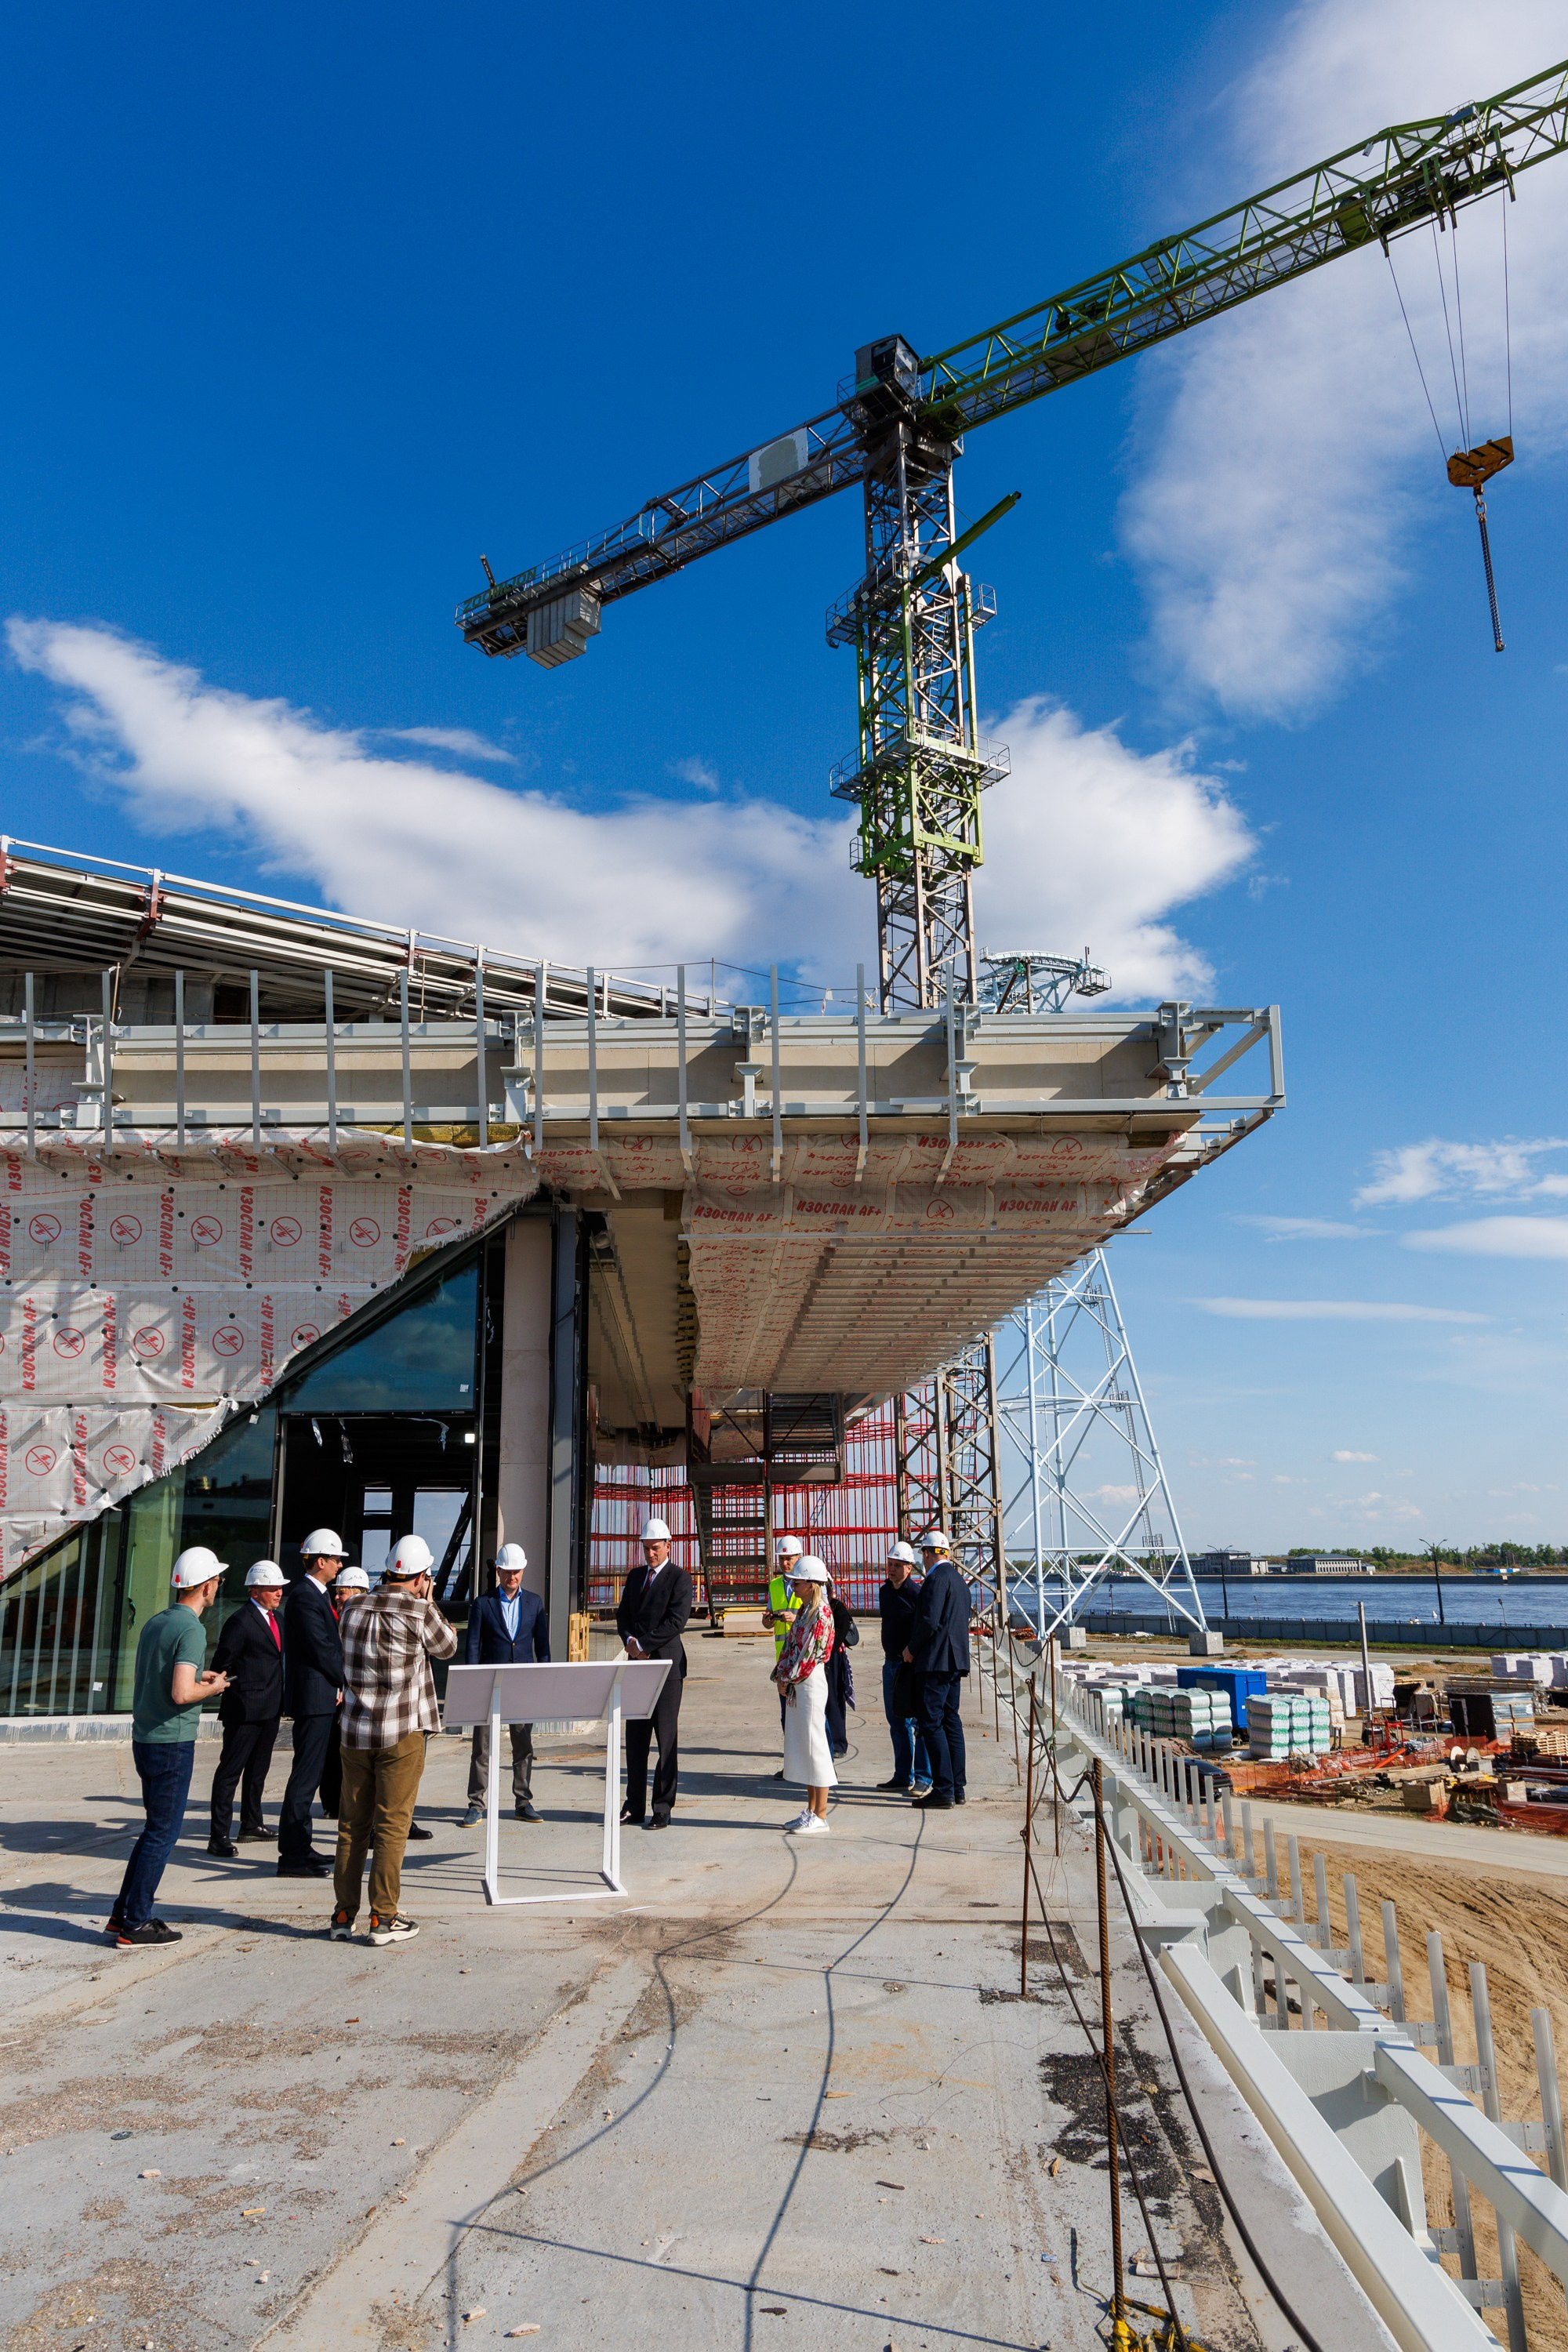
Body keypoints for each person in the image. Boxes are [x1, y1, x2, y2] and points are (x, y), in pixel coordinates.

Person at [329, 1533, 457, 1946]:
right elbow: (448, 1646)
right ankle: (383, 1918)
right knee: (392, 1825)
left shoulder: (351, 1608)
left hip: (354, 1731)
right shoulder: (420, 1611)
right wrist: (430, 1600)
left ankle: (343, 1914)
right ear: (423, 1577)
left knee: (351, 1826)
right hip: (401, 1733)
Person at [107, 1546, 230, 1947]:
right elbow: (181, 1693)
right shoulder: (193, 1629)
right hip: (172, 1742)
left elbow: (164, 1679)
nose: (218, 1587)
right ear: (208, 1585)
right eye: (218, 1580)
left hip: (146, 1738)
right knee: (163, 1834)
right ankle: (135, 1922)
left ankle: (122, 1914)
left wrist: (198, 1676)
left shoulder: (157, 1622)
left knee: (152, 1831)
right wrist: (212, 1688)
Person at [462, 1541, 549, 1828]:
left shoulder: (535, 1603)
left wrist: (543, 1679)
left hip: (523, 1684)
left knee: (523, 1745)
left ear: (523, 1571)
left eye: (517, 1572)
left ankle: (523, 1801)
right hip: (490, 1683)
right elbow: (473, 1645)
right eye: (507, 1572)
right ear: (498, 1571)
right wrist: (473, 1682)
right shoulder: (482, 1603)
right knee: (482, 1747)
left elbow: (543, 1647)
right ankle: (476, 1803)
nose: (512, 1577)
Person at [278, 1527, 347, 1878]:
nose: (338, 1565)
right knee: (305, 1776)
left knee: (311, 1773)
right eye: (335, 1559)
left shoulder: (315, 1594)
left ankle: (301, 1847)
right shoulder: (306, 1597)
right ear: (320, 1560)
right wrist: (346, 1679)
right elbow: (323, 1648)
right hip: (313, 1698)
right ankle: (292, 1854)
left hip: (320, 1696)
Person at [615, 1515, 691, 1831]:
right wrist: (631, 1642)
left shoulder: (679, 1578)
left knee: (666, 1739)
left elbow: (677, 1621)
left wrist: (644, 1644)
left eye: (655, 1548)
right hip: (638, 1665)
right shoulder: (635, 1578)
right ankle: (633, 1806)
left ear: (668, 1546)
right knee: (635, 1739)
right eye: (646, 1549)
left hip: (667, 1668)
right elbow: (623, 1616)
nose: (650, 1554)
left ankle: (662, 1807)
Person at [207, 1559, 286, 1856]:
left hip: (270, 1708)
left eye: (279, 1587)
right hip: (244, 1710)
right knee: (230, 1771)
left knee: (258, 1771)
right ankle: (219, 1836)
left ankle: (251, 1824)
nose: (278, 1592)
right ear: (255, 1591)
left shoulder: (276, 1619)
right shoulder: (240, 1622)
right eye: (272, 1588)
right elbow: (222, 1666)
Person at [902, 1530, 971, 1810]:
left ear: (928, 1554)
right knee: (951, 1721)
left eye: (923, 1555)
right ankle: (958, 1786)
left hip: (935, 1663)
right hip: (955, 1661)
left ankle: (943, 1789)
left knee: (931, 1723)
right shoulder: (959, 1580)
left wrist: (911, 1649)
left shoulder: (935, 1580)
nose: (923, 1559)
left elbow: (929, 1621)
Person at [771, 1557, 837, 1835]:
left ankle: (821, 1814)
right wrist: (781, 1677)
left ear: (811, 1584)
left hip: (809, 1683)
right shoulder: (805, 1610)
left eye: (797, 1582)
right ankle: (811, 1809)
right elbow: (790, 1647)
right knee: (806, 1749)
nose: (793, 1586)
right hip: (799, 1682)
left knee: (816, 1747)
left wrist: (787, 1678)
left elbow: (809, 1655)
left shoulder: (821, 1613)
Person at [877, 1541, 931, 1795]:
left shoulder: (917, 1595)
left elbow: (925, 1628)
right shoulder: (884, 1592)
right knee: (896, 1720)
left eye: (898, 1566)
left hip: (911, 1666)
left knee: (919, 1721)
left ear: (909, 1568)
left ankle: (923, 1777)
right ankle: (902, 1776)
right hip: (890, 1664)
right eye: (890, 1564)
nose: (892, 1569)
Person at [763, 1534, 803, 1777]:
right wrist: (768, 1620)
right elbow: (768, 1622)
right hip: (783, 1661)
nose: (785, 1563)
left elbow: (819, 1617)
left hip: (804, 1659)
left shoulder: (809, 1583)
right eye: (782, 1558)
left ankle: (814, 1763)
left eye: (789, 1558)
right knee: (786, 1714)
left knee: (807, 1713)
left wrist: (794, 1617)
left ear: (799, 1558)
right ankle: (792, 1763)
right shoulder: (775, 1586)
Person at [824, 1572, 858, 1759]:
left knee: (834, 1700)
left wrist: (828, 1649)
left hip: (833, 1659)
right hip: (817, 1658)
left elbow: (842, 1629)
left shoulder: (837, 1608)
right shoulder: (810, 1608)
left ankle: (838, 1743)